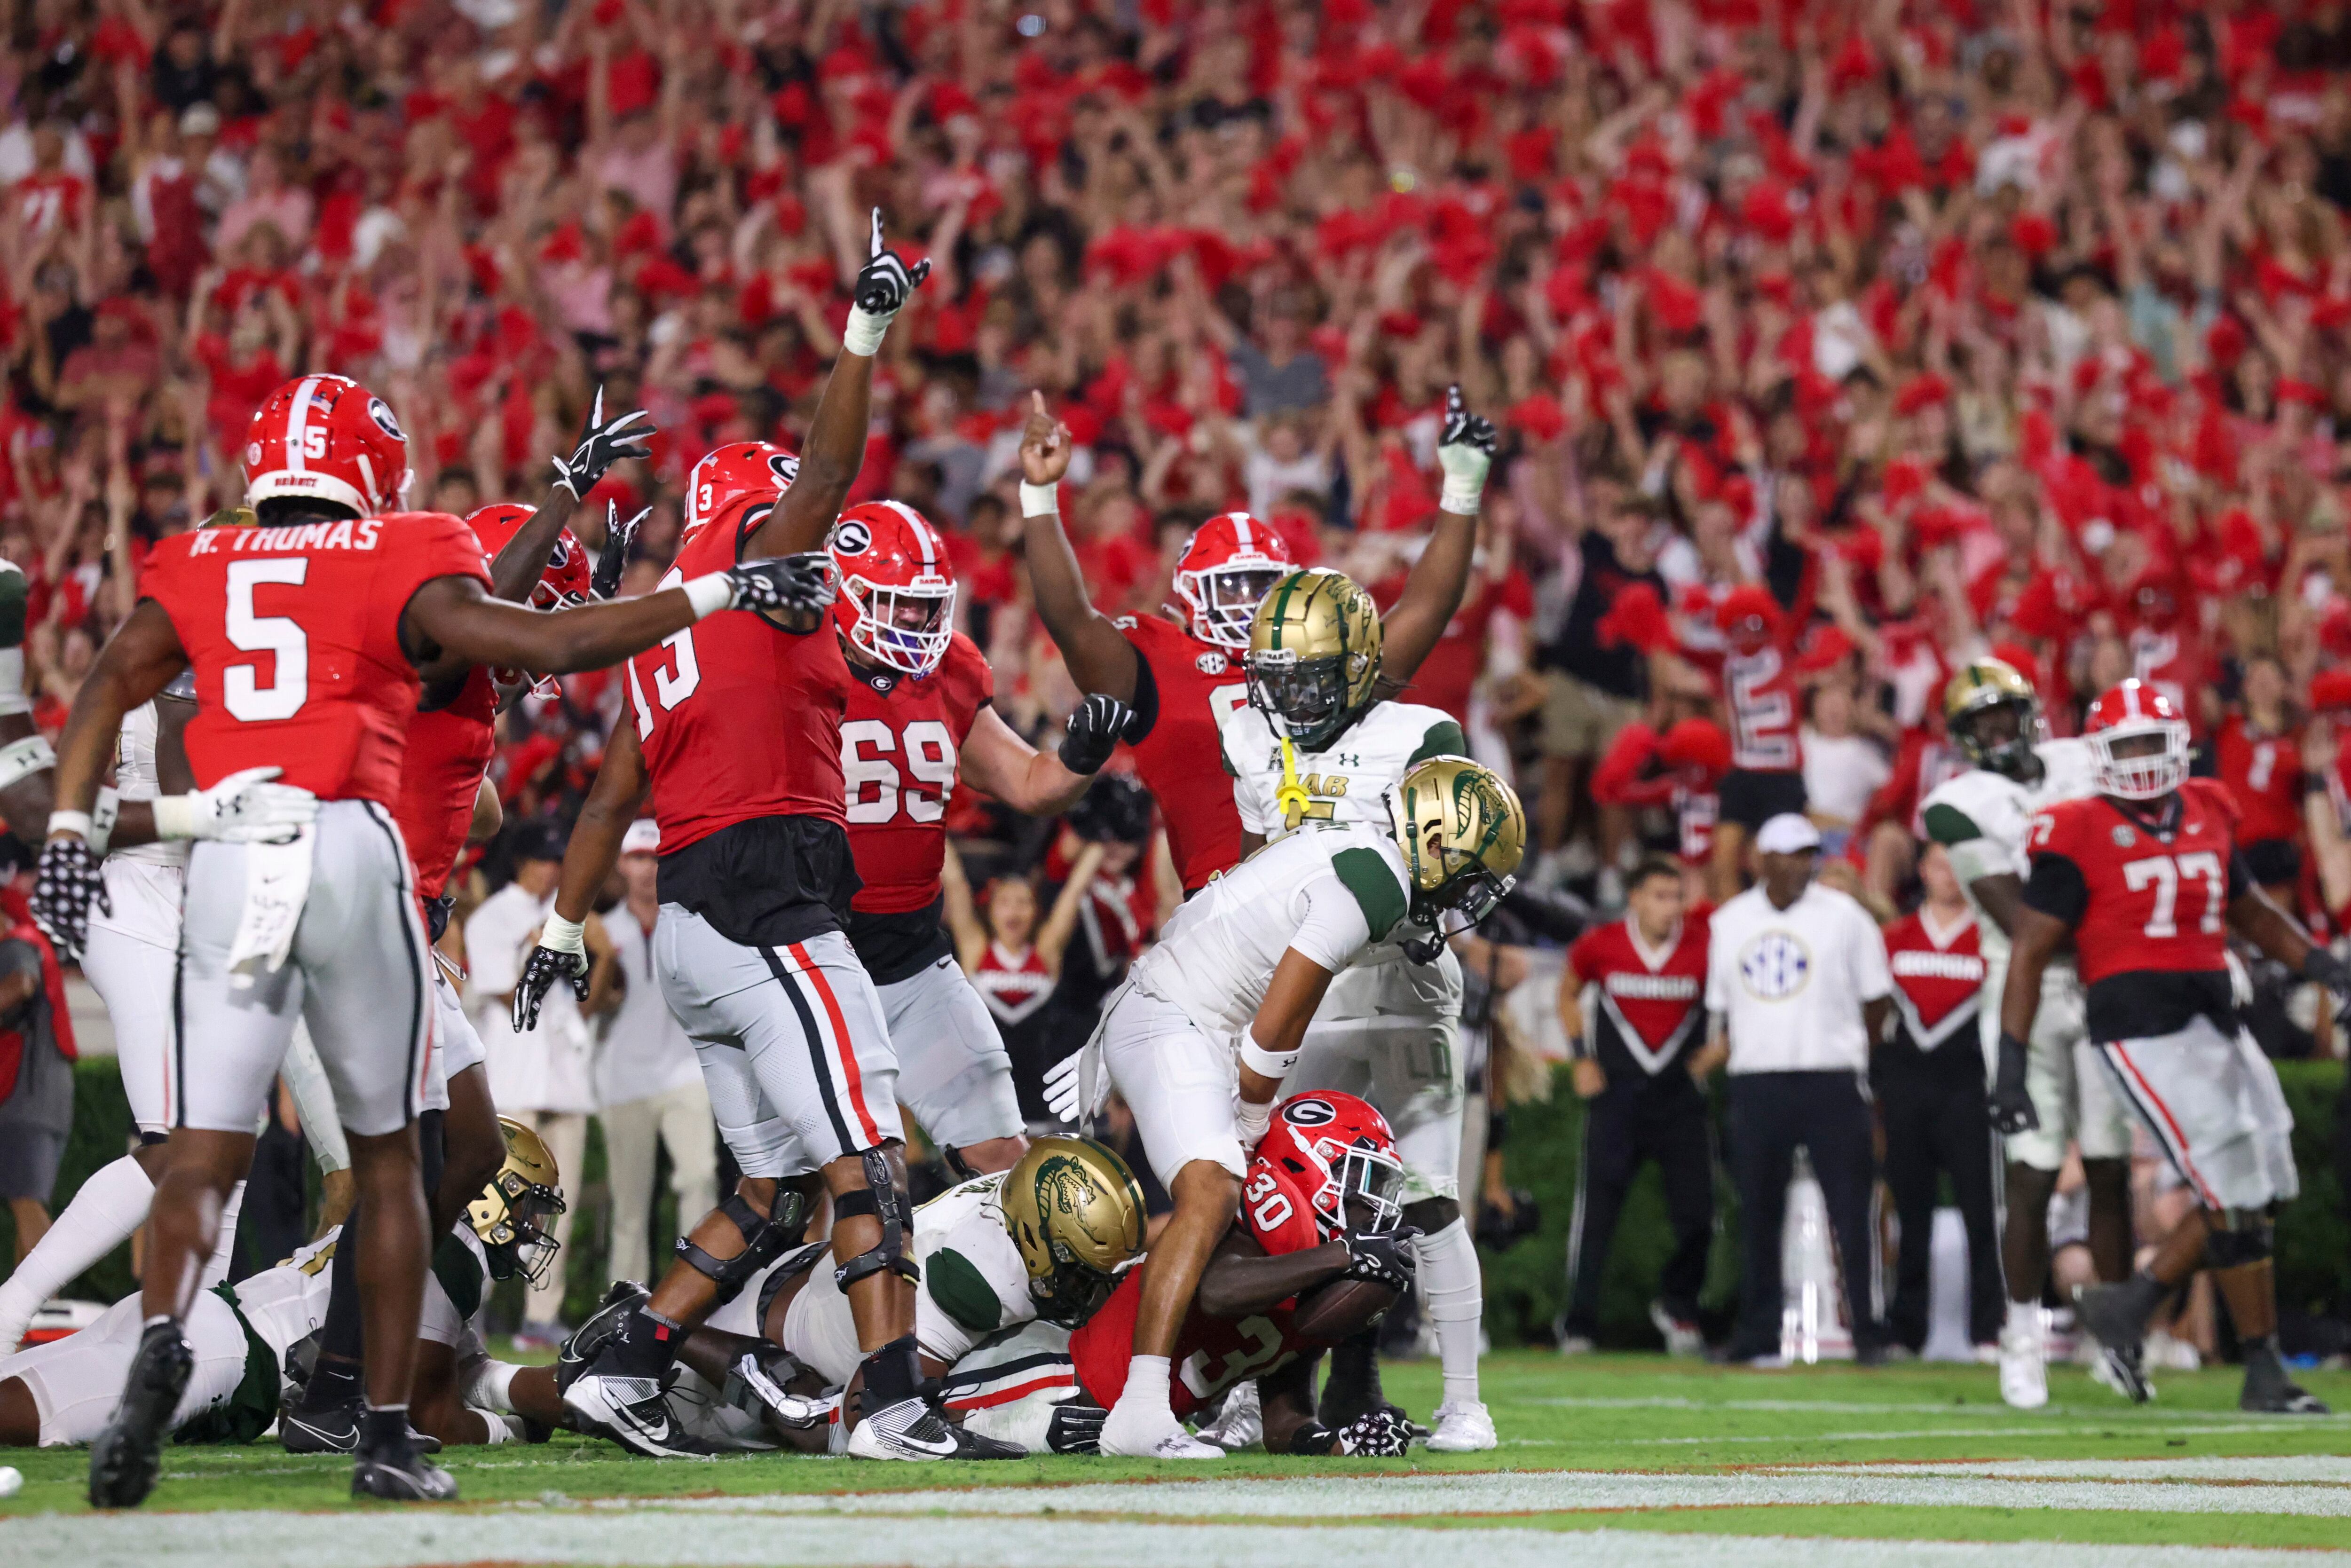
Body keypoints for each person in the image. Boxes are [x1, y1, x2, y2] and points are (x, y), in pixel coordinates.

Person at [35, 369, 831, 1507]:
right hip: (353, 861)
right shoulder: (391, 556)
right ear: (367, 467)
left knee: (205, 1150)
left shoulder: (198, 560)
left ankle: (172, 1333)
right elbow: (537, 641)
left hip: (235, 864)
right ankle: (376, 1421)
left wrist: (70, 827)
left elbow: (110, 682)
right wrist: (719, 592)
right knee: (401, 1158)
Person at [505, 217, 1003, 1464]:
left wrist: (564, 926)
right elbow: (827, 481)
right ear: (752, 520)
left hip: (686, 923)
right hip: (769, 899)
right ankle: (893, 1394)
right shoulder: (761, 567)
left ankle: (627, 1363)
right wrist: (864, 334)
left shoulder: (667, 630)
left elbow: (611, 799)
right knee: (867, 1153)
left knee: (771, 1184)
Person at [286, 454, 653, 1452]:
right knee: (401, 1159)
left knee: (475, 1150)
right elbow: (473, 629)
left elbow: (480, 799)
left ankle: (338, 1363)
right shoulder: (435, 653)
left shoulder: (465, 684)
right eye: (544, 605)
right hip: (367, 916)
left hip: (405, 915)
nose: (541, 636)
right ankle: (330, 1371)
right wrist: (563, 503)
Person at [1047, 755, 1523, 1457]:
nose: (1466, 894)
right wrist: (1245, 1120)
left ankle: (1268, 1407)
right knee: (1213, 1185)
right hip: (1182, 1018)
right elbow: (1275, 1026)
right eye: (1469, 871)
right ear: (1432, 842)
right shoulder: (1374, 882)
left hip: (1188, 1016)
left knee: (1266, 1205)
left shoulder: (1362, 853)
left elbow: (1219, 910)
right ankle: (1140, 1408)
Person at [1218, 561, 1501, 1451]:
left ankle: (1465, 1404)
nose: (1293, 696)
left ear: (1360, 664)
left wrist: (1430, 916)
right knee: (1274, 1195)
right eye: (1280, 677)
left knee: (1427, 1196)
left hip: (1405, 987)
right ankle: (1249, 1393)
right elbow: (1259, 865)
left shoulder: (1420, 731)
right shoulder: (1250, 733)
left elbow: (1465, 850)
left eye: (1310, 675)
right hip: (1314, 996)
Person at [2002, 679, 2338, 1414]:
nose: (2144, 758)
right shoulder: (2076, 826)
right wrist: (2010, 1063)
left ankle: (2132, 1307)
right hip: (2137, 1026)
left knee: (2268, 1177)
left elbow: (2247, 908)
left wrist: (2319, 961)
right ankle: (2257, 1363)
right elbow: (2028, 952)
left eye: (2153, 742)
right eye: (2129, 746)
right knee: (2230, 1180)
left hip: (2213, 1017)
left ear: (2178, 741)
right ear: (2101, 755)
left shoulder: (2212, 806)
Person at [1016, 384, 1495, 898]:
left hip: (1333, 891)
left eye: (1262, 585)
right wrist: (1040, 496)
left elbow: (1425, 606)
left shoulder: (1319, 652)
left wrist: (1462, 488)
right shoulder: (1152, 658)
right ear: (1185, 597)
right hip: (1223, 902)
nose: (1247, 603)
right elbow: (1069, 617)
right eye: (1231, 586)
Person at [480, 1136, 1148, 1456]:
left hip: (808, 1282)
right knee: (804, 1416)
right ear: (1035, 1235)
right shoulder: (970, 1282)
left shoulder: (1019, 1197)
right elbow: (861, 1417)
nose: (1091, 1288)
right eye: (1080, 1270)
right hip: (773, 1331)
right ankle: (494, 1378)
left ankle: (621, 1342)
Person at [828, 496, 1128, 1175]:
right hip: (813, 948)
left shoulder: (950, 669)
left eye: (921, 602)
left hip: (910, 949)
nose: (910, 618)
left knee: (1004, 1157)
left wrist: (1081, 755)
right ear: (840, 592)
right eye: (890, 600)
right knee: (824, 1186)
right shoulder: (798, 661)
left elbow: (1031, 784)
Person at [0, 1119, 566, 1450]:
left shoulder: (410, 1220)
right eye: (531, 1208)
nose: (535, 1229)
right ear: (493, 1195)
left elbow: (471, 1374)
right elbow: (432, 1413)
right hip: (226, 1357)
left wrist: (576, 1387)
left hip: (215, 1322)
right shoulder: (452, 1249)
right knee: (28, 1415)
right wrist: (511, 1431)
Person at [1918, 657, 2132, 1408]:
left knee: (2109, 1167)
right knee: (2033, 1173)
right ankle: (2020, 1336)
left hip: (2104, 983)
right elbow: (2019, 919)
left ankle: (2115, 1339)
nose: (2000, 729)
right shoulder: (1956, 804)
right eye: (1984, 721)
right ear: (1964, 737)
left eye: (2006, 712)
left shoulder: (2081, 759)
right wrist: (2111, 909)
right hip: (2024, 993)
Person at [1704, 812, 1892, 1365]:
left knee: (1851, 1212)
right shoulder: (1729, 921)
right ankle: (1758, 1332)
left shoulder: (1846, 917)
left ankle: (1867, 1331)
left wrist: (1854, 1051)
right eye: (1786, 854)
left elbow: (1876, 999)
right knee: (1757, 1212)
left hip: (1830, 1077)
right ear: (1760, 859)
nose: (1799, 863)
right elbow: (1721, 1008)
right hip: (1756, 1078)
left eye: (1807, 853)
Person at [1556, 858, 1716, 1357]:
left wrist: (1718, 1051)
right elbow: (1566, 992)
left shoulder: (1704, 948)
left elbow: (1735, 1000)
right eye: (1660, 896)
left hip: (1678, 1098)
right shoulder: (1600, 944)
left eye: (1676, 897)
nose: (1671, 907)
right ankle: (1578, 1324)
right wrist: (1580, 1058)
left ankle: (1678, 1305)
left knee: (1698, 1214)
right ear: (1636, 898)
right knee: (1596, 1215)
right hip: (1617, 1096)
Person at [466, 819, 603, 1345]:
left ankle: (540, 1317)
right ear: (523, 862)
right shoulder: (493, 918)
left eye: (556, 860)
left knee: (556, 1207)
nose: (552, 869)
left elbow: (594, 990)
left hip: (565, 1074)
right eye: (545, 860)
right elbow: (505, 992)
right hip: (513, 1075)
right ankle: (471, 1305)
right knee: (494, 1201)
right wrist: (538, 946)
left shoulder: (564, 917)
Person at [1875, 844, 2001, 1360]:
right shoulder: (1893, 938)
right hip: (1906, 1086)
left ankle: (1989, 1330)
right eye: (1937, 864)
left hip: (1970, 1087)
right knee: (1910, 1211)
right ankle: (1907, 1329)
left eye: (1957, 866)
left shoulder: (1991, 938)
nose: (1947, 875)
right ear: (1921, 871)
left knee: (1982, 1212)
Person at [594, 819, 718, 1292]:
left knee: (699, 1180)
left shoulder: (690, 924)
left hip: (686, 1072)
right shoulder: (602, 930)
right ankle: (622, 1307)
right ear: (622, 864)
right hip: (622, 1078)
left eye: (656, 857)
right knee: (629, 1204)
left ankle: (695, 1293)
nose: (648, 868)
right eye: (639, 857)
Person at [942, 837, 1103, 1123]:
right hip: (985, 1099)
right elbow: (955, 885)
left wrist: (1099, 841)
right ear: (990, 911)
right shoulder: (977, 950)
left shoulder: (1046, 953)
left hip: (1040, 1101)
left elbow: (1074, 891)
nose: (1014, 911)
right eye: (1004, 902)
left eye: (1023, 903)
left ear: (1036, 912)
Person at [1709, 588, 1807, 904]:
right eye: (1739, 626)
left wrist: (1818, 558)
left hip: (1782, 775)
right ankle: (1732, 928)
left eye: (1755, 625)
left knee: (1769, 863)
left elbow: (1801, 608)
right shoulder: (1726, 663)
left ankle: (1769, 922)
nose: (1748, 633)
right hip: (1742, 772)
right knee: (1722, 856)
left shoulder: (1782, 650)